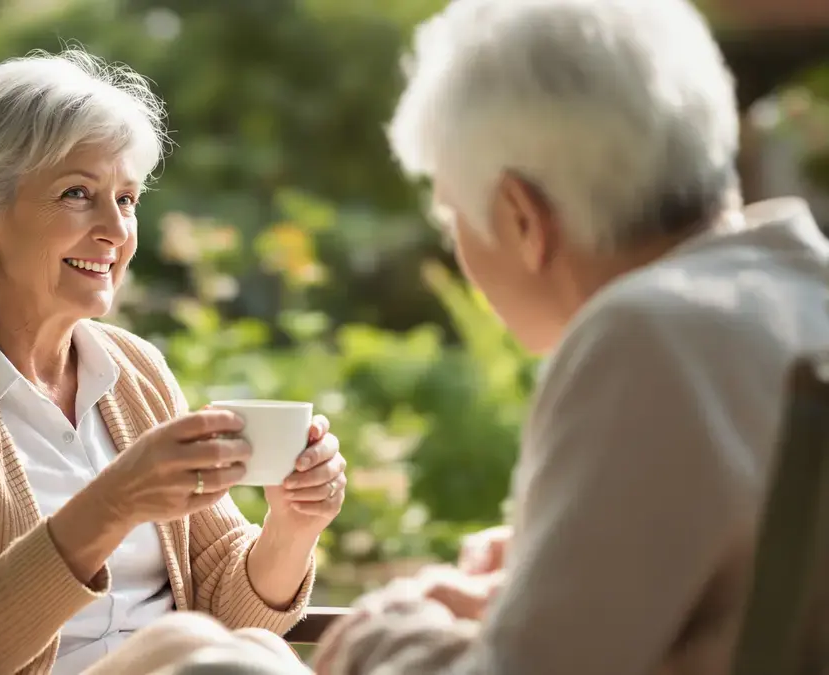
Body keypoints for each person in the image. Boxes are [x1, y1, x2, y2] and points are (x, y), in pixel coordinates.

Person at [310, 0, 829, 673]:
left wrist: (393, 621)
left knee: (192, 649)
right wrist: (544, 569)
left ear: (522, 217)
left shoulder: (647, 334)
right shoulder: (805, 291)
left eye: (451, 216)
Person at [0, 49, 347, 675]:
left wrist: (292, 524)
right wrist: (112, 504)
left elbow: (232, 617)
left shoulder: (135, 371)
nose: (116, 230)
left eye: (126, 199)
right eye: (77, 194)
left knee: (255, 649)